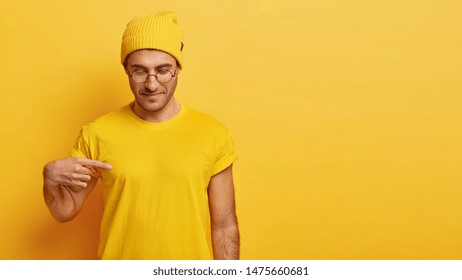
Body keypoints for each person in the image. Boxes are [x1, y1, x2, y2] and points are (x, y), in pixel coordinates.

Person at [42, 11, 240, 260]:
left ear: (178, 67)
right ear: (125, 69)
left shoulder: (212, 134)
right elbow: (63, 211)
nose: (152, 84)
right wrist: (50, 179)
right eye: (139, 71)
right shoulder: (98, 133)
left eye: (163, 70)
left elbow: (224, 227)